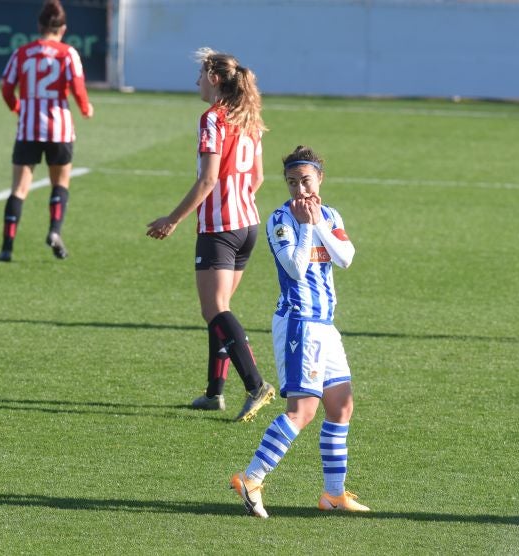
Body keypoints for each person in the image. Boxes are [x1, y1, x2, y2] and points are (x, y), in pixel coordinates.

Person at [230, 146, 370, 518]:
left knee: (341, 406)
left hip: (325, 326)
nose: (299, 190)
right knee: (302, 411)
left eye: (305, 181)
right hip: (299, 324)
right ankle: (251, 477)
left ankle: (333, 494)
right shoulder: (280, 219)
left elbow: (346, 257)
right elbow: (293, 269)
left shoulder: (330, 214)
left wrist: (319, 224)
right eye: (292, 182)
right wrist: (307, 227)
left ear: (319, 179)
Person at [146, 47, 274, 422]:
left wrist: (172, 219)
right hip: (247, 223)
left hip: (221, 228)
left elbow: (207, 179)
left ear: (214, 78)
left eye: (200, 75)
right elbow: (259, 178)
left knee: (214, 308)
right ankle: (214, 393)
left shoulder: (213, 118)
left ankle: (255, 385)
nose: (197, 82)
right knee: (220, 311)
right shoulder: (250, 118)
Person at [0, 0, 94, 262]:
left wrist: (18, 107)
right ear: (63, 28)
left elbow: (6, 89)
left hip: (28, 128)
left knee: (19, 189)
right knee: (60, 184)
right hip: (59, 129)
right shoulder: (67, 53)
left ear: (39, 26)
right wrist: (85, 109)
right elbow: (77, 87)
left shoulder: (22, 52)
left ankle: (7, 247)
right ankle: (54, 232)